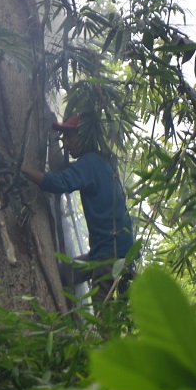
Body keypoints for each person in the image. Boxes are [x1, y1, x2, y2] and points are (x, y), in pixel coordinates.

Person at [20, 113, 135, 307]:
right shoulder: (105, 160)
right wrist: (53, 138)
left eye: (69, 137)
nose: (65, 144)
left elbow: (58, 182)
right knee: (65, 273)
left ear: (83, 135)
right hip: (122, 253)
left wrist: (21, 168)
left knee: (103, 315)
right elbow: (62, 169)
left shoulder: (89, 163)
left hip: (107, 256)